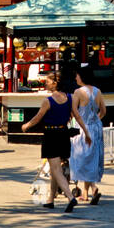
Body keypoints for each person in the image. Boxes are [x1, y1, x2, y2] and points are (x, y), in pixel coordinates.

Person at [22, 69, 88, 212]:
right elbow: (76, 115)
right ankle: (50, 199)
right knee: (54, 169)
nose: (45, 84)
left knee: (56, 169)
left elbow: (38, 117)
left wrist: (27, 125)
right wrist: (86, 132)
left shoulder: (48, 101)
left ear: (55, 83)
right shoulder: (70, 98)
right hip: (63, 133)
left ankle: (70, 197)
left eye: (47, 81)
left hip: (51, 134)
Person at [69, 64, 106, 205]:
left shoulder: (78, 92)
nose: (75, 77)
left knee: (81, 159)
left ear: (82, 76)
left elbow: (74, 111)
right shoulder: (98, 91)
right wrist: (95, 120)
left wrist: (82, 124)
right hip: (96, 127)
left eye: (77, 75)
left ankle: (93, 188)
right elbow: (103, 111)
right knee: (92, 159)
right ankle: (86, 192)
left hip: (82, 128)